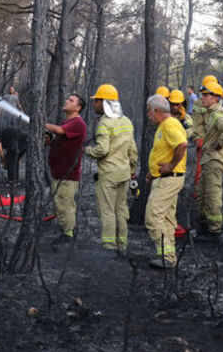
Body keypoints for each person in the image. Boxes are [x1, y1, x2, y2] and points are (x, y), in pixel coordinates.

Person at [84, 84, 137, 254]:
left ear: (104, 103)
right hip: (124, 173)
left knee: (107, 211)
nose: (94, 104)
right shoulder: (126, 121)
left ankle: (108, 247)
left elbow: (102, 150)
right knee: (121, 210)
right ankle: (122, 246)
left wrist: (87, 151)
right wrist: (132, 169)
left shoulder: (104, 123)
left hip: (108, 175)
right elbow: (133, 150)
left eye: (97, 101)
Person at [144, 94, 187, 268]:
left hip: (169, 179)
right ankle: (168, 257)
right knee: (168, 219)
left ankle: (166, 256)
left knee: (153, 217)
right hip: (167, 178)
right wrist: (152, 173)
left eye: (149, 112)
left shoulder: (169, 125)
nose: (148, 115)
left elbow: (182, 145)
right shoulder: (166, 125)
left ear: (156, 111)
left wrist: (170, 166)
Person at [45, 94, 88, 246]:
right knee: (58, 203)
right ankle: (65, 229)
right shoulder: (67, 122)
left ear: (78, 108)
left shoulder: (78, 123)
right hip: (59, 172)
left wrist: (41, 123)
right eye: (67, 98)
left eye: (71, 100)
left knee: (65, 204)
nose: (66, 101)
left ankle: (68, 235)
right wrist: (50, 142)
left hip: (68, 175)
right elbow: (61, 140)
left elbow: (59, 130)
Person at [196, 79, 223, 235]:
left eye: (206, 95)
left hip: (215, 160)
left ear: (215, 97)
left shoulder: (218, 114)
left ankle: (215, 230)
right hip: (208, 158)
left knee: (212, 194)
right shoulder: (211, 113)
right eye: (203, 95)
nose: (203, 97)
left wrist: (219, 144)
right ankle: (205, 225)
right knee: (202, 193)